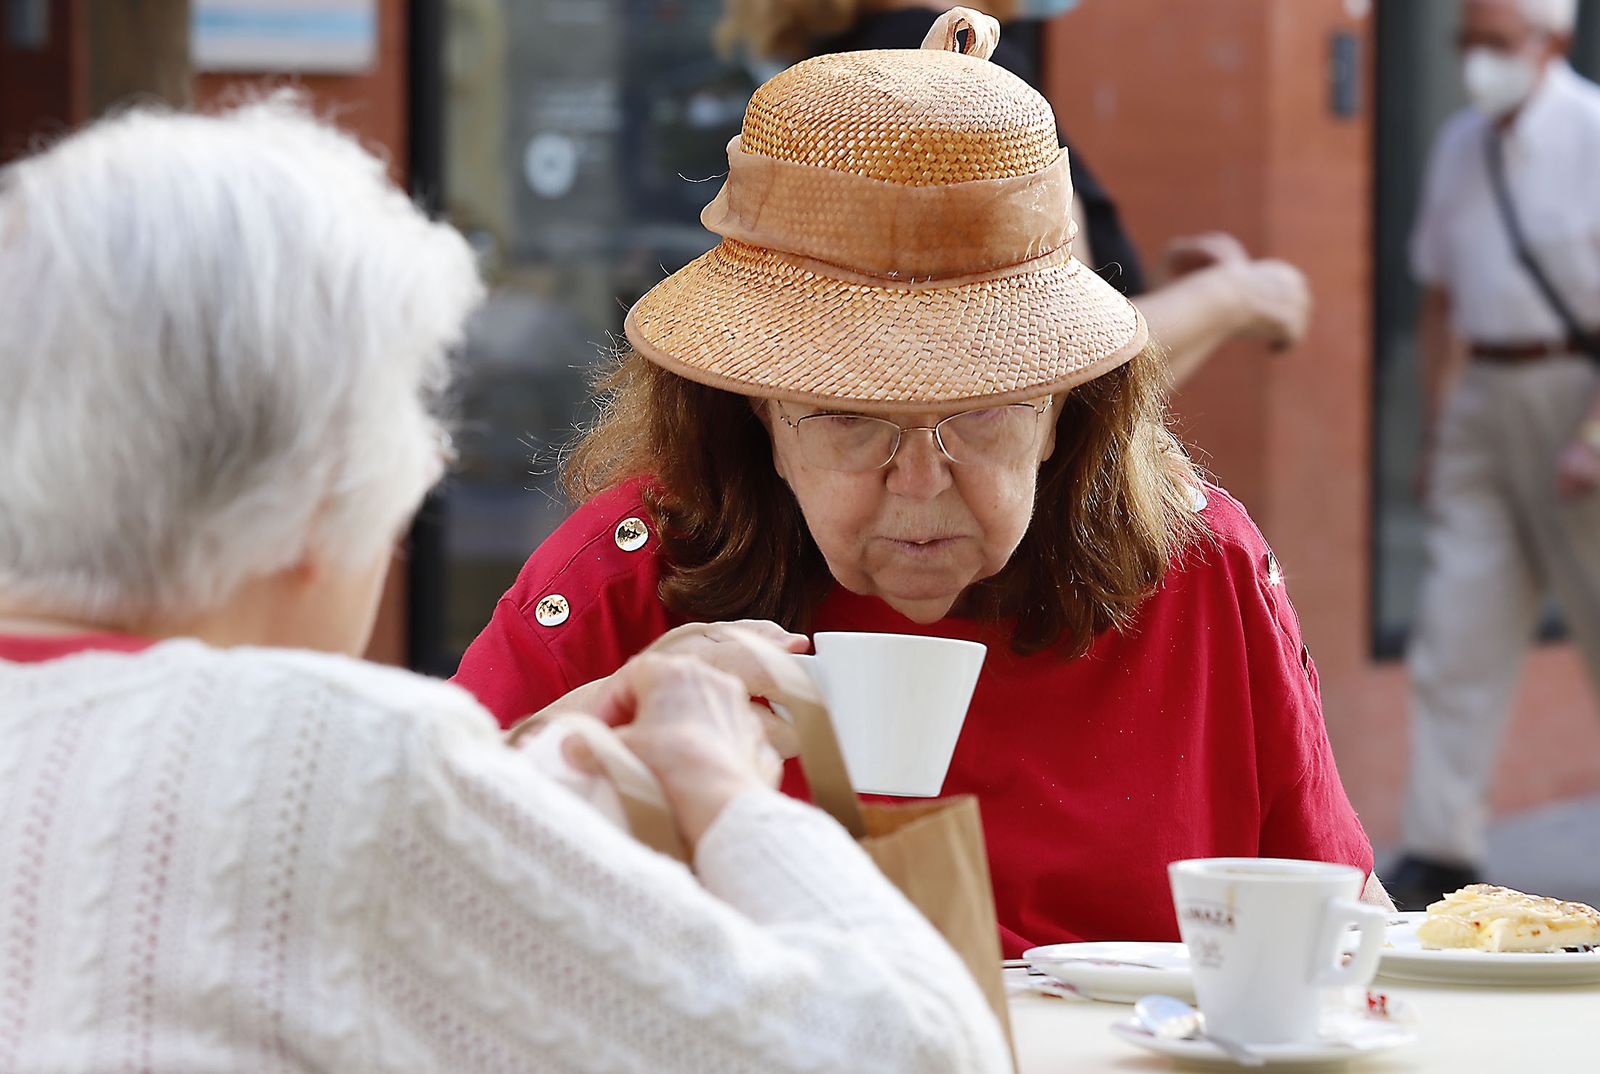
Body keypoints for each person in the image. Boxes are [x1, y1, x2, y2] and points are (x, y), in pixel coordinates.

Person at [0, 97, 1010, 1073]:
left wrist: (527, 759)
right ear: (321, 497)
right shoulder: (345, 765)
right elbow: (916, 1050)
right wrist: (723, 790)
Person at [454, 10, 1386, 957]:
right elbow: (403, 877)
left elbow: (1352, 937)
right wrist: (599, 721)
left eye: (983, 411)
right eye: (851, 418)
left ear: (1066, 405)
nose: (920, 485)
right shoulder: (636, 578)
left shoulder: (1197, 573)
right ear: (760, 417)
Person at [715, 0, 1313, 387]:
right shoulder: (957, 66)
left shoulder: (841, 70)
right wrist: (1237, 295)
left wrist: (1153, 290)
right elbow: (1063, 363)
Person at [1391, 0, 1600, 911]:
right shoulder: (1458, 143)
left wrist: (1595, 434)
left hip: (1579, 394)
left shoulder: (1593, 133)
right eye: (1465, 43)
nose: (1478, 62)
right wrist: (1439, 428)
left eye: (1497, 43)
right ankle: (1440, 845)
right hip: (1483, 399)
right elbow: (1437, 295)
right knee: (1456, 631)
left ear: (1551, 41)